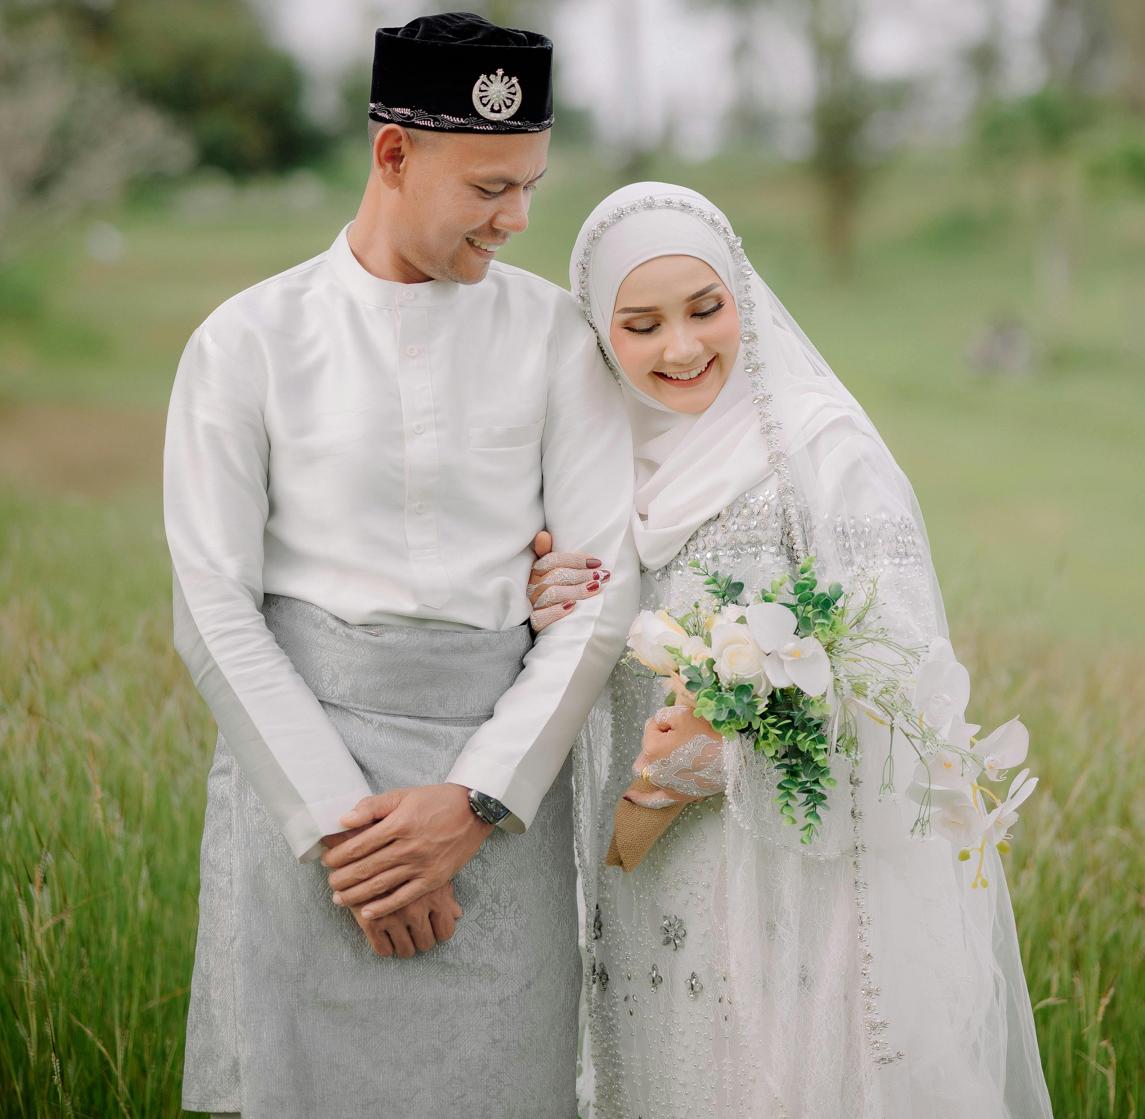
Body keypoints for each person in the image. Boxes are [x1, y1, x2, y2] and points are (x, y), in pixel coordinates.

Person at [163, 14, 638, 1119]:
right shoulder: (247, 341)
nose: (517, 219)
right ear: (391, 155)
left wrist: (471, 805)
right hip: (308, 807)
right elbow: (213, 613)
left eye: (529, 184)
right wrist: (348, 834)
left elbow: (598, 597)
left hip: (499, 810)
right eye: (488, 188)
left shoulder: (558, 337)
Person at [556, 183, 1053, 1118]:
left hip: (795, 878)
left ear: (744, 295)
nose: (683, 347)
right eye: (642, 323)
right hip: (642, 881)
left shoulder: (825, 452)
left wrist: (722, 737)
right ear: (598, 333)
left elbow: (897, 661)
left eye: (706, 309)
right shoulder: (594, 466)